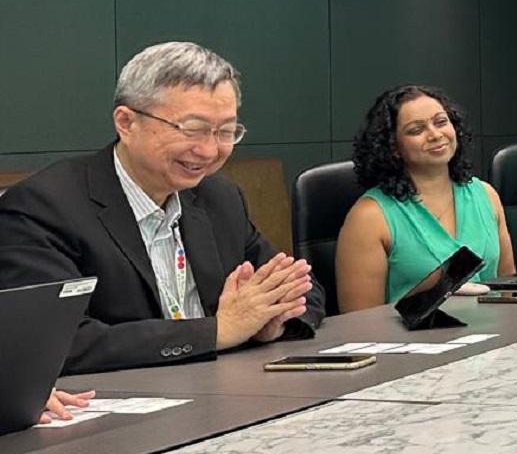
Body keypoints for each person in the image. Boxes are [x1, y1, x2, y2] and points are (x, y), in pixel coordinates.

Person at [0, 42, 322, 373]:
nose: (210, 150)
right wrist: (216, 332)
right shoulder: (44, 208)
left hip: (226, 391)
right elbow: (58, 343)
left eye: (226, 132)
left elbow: (305, 290)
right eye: (193, 129)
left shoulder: (219, 199)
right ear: (126, 123)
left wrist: (271, 324)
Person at [333, 86, 517, 312]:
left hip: (498, 341)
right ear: (394, 148)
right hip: (415, 344)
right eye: (417, 130)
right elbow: (357, 327)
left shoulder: (486, 195)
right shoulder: (369, 217)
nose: (435, 135)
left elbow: (510, 289)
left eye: (441, 122)